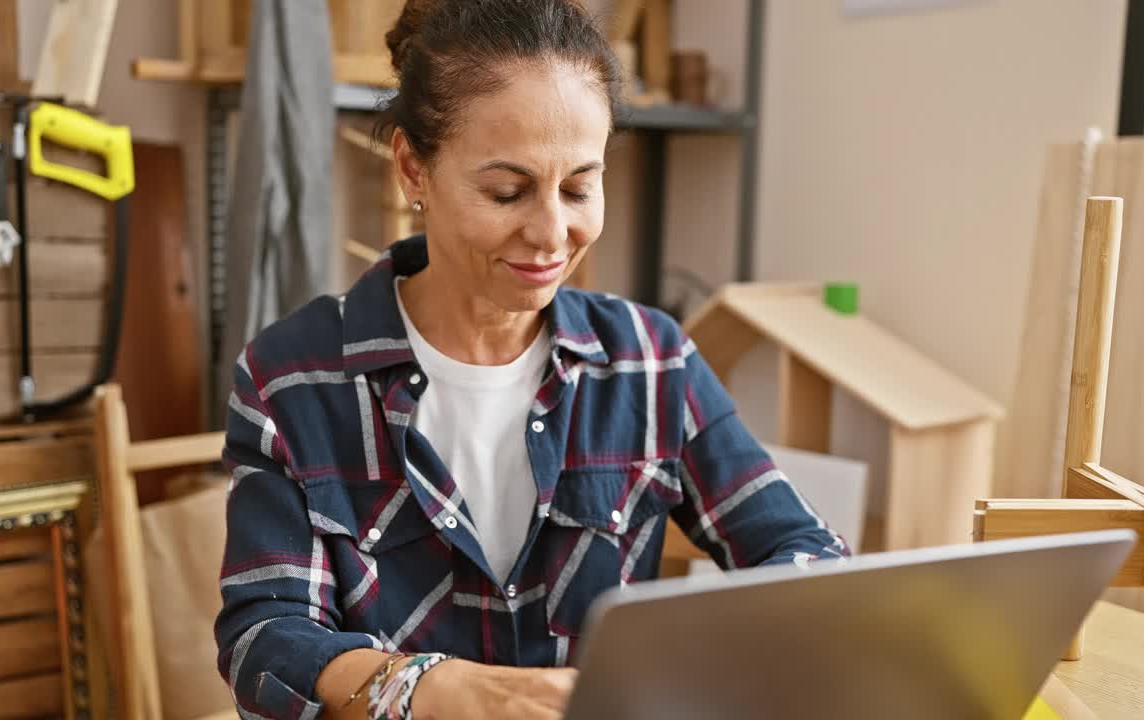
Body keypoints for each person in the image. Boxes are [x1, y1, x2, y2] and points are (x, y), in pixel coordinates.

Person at [215, 1, 849, 718]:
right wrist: (433, 688)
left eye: (580, 186)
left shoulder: (651, 362)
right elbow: (265, 636)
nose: (552, 234)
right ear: (413, 169)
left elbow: (804, 555)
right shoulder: (291, 378)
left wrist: (691, 666)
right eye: (506, 191)